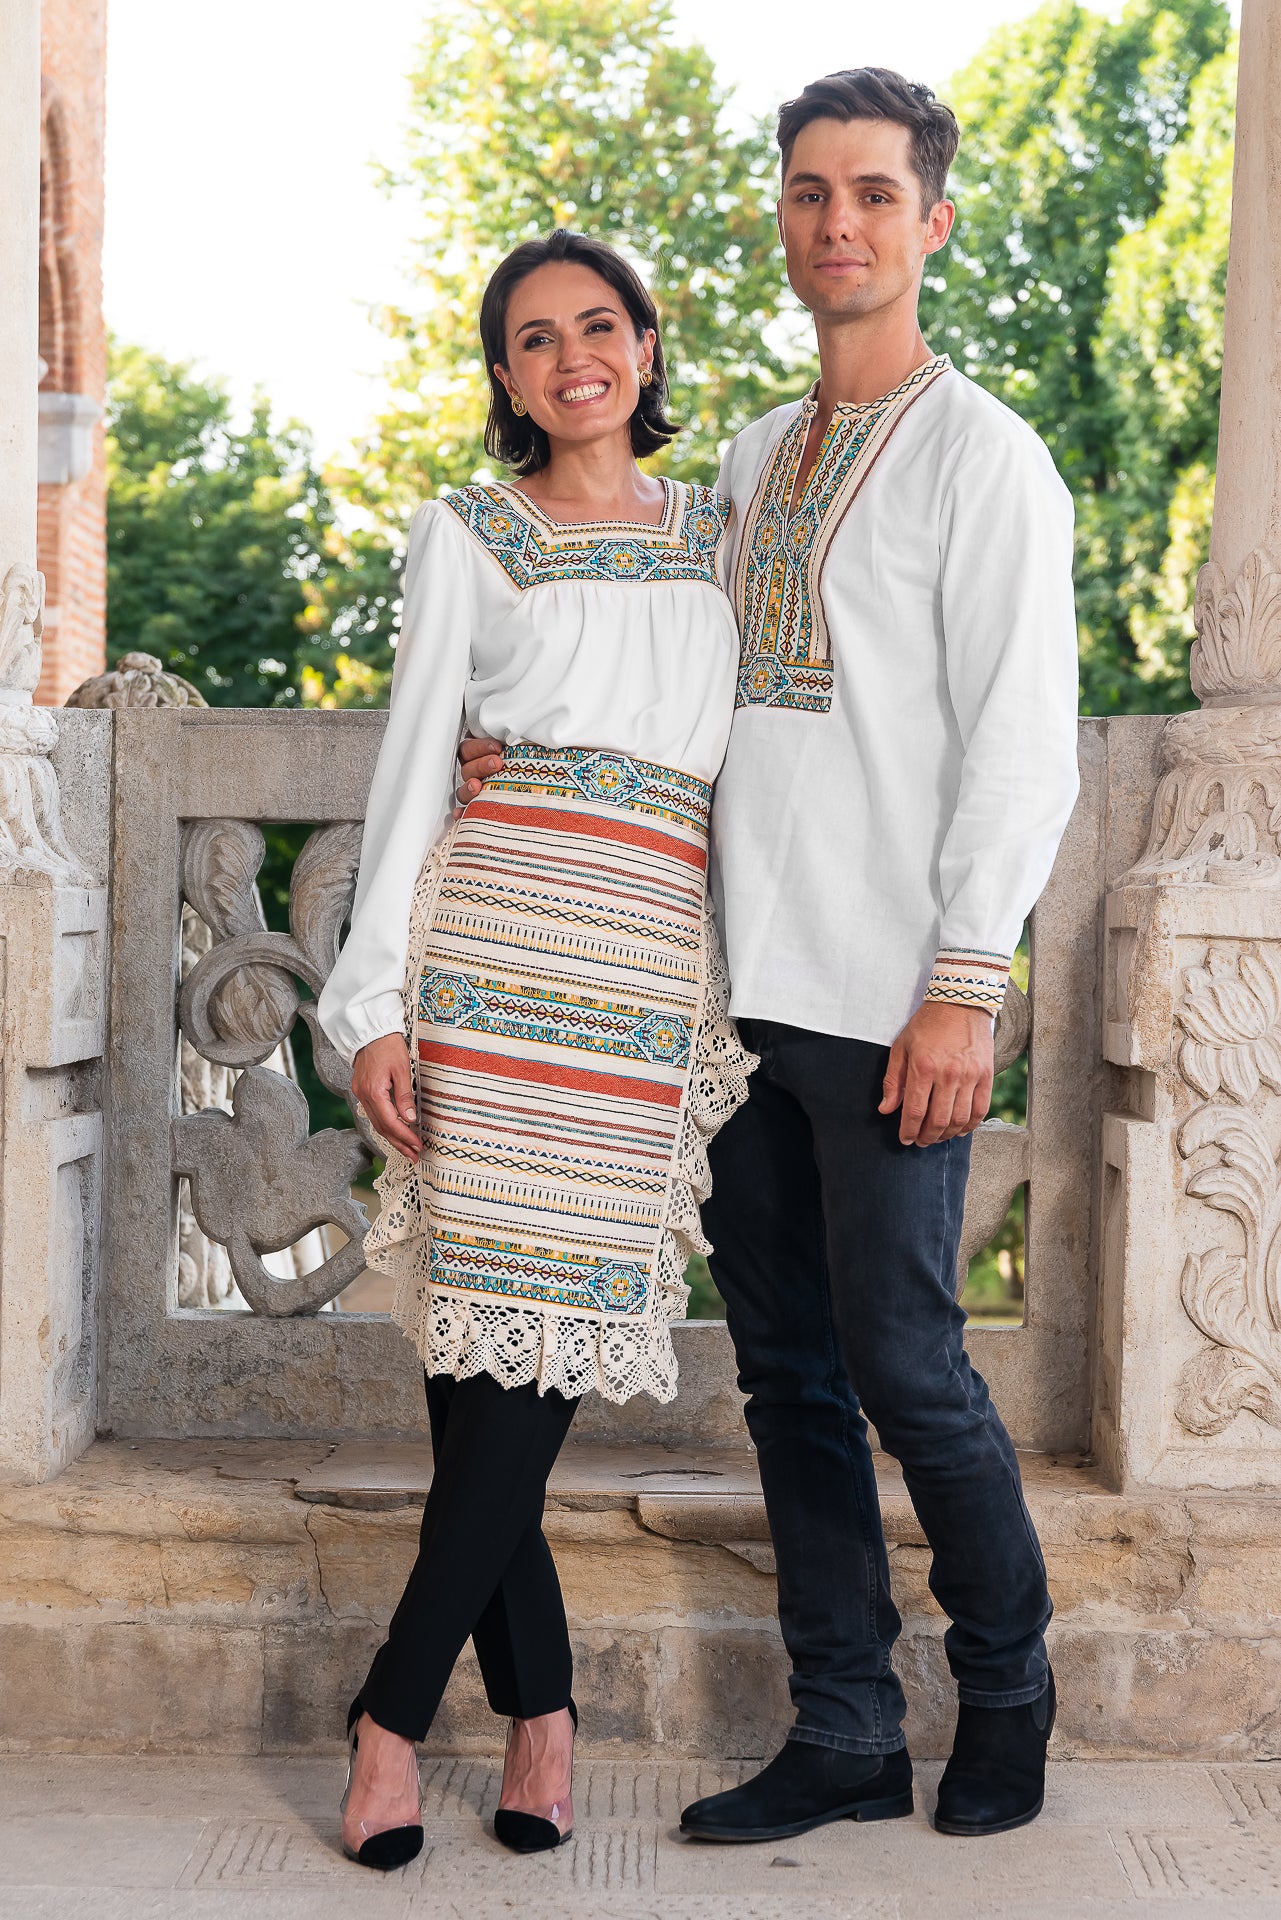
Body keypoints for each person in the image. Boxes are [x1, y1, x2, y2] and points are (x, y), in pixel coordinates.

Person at [458, 67, 1080, 1843]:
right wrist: (516, 749)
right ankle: (845, 1731)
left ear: (929, 221)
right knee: (789, 1378)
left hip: (895, 998)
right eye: (809, 193)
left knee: (908, 1367)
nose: (837, 223)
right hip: (735, 993)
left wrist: (965, 979)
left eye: (872, 194)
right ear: (783, 222)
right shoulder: (746, 461)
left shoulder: (984, 458)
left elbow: (1022, 742)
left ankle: (1010, 1688)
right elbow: (669, 675)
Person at [317, 229, 753, 1870]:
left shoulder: (725, 531)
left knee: (523, 1371)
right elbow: (411, 765)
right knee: (481, 1376)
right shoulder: (468, 532)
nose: (573, 356)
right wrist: (370, 1005)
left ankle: (402, 1708)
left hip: (645, 961)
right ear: (503, 374)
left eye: (598, 324)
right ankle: (520, 1720)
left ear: (646, 343)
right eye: (534, 337)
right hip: (488, 953)